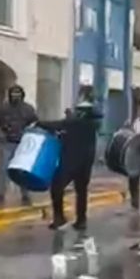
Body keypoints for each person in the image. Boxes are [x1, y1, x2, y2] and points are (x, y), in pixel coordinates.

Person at [38, 87, 102, 232]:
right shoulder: (93, 120)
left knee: (57, 186)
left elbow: (59, 125)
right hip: (86, 160)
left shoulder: (80, 118)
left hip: (72, 159)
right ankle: (81, 220)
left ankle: (60, 218)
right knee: (81, 190)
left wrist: (39, 123)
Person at [0, 85, 38, 208]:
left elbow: (35, 123)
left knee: (22, 171)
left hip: (23, 143)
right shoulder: (4, 109)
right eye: (13, 93)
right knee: (4, 170)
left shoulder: (28, 109)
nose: (15, 96)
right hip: (7, 142)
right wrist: (0, 135)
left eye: (18, 93)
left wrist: (30, 133)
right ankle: (0, 195)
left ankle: (25, 195)